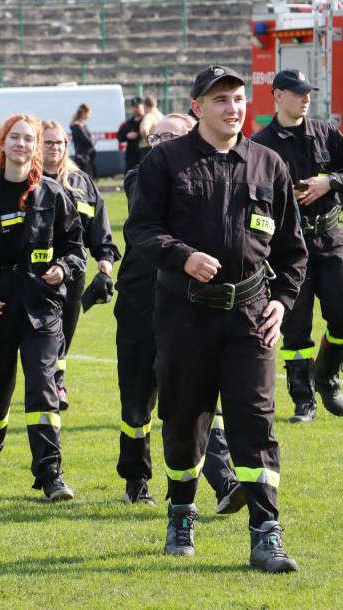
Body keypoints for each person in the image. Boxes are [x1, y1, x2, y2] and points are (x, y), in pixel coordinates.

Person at [124, 65, 307, 573]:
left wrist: (283, 301)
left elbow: (293, 250)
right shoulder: (167, 161)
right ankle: (181, 511)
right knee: (186, 421)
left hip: (251, 317)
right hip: (186, 314)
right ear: (197, 107)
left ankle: (266, 535)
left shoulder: (268, 164)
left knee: (256, 422)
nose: (233, 108)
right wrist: (182, 256)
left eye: (239, 98)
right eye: (221, 99)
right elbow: (141, 228)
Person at [0, 114, 86, 500]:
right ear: (3, 143)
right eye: (15, 137)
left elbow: (76, 249)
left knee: (42, 388)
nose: (22, 144)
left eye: (30, 139)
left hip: (41, 308)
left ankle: (50, 473)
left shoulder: (54, 195)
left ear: (38, 146)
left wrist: (63, 267)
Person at [116, 113, 245, 513]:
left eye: (170, 136)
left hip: (190, 306)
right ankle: (136, 478)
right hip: (141, 305)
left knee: (201, 399)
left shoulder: (213, 178)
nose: (160, 143)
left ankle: (224, 482)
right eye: (156, 136)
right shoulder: (143, 176)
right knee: (138, 400)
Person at [251, 69, 343, 423]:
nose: (306, 98)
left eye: (309, 93)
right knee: (295, 324)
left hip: (329, 237)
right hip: (287, 244)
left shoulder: (326, 133)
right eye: (298, 92)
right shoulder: (260, 144)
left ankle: (327, 376)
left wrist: (329, 181)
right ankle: (304, 400)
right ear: (278, 96)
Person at [39, 119, 120, 410]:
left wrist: (105, 257)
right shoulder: (27, 178)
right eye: (47, 142)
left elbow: (98, 222)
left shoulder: (80, 181)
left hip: (73, 272)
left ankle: (55, 383)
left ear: (66, 145)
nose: (53, 147)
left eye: (58, 142)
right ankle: (49, 384)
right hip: (33, 273)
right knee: (44, 332)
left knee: (64, 331)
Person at [117, 97, 145, 172]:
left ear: (142, 106)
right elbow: (119, 136)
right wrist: (127, 136)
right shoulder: (129, 123)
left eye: (137, 106)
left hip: (142, 156)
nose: (135, 109)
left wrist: (138, 135)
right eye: (133, 107)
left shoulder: (146, 121)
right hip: (130, 158)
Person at [69, 103, 96, 176]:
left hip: (85, 157)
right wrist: (93, 139)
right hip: (82, 158)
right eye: (89, 113)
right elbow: (89, 142)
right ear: (84, 113)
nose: (89, 116)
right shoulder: (77, 127)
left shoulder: (82, 126)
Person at [137, 95, 163, 160]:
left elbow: (144, 130)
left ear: (145, 105)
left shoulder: (149, 116)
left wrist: (150, 142)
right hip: (160, 147)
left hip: (148, 150)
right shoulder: (161, 115)